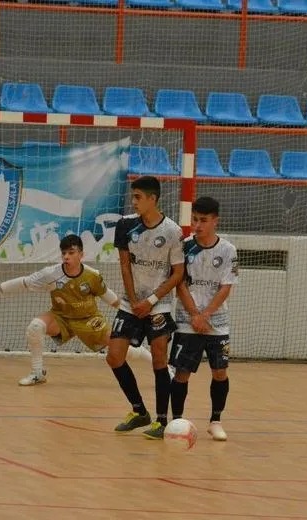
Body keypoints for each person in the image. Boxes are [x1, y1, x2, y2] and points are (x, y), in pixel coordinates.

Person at [0, 234, 145, 385]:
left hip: (89, 320)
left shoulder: (92, 275)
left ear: (81, 254)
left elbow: (111, 298)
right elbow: (23, 283)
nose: (66, 257)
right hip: (62, 318)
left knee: (120, 347)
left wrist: (134, 312)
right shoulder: (51, 274)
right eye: (64, 253)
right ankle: (38, 373)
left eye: (71, 253)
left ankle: (156, 362)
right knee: (35, 327)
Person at [107, 176, 184, 439]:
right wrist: (133, 301)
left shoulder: (172, 231)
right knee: (114, 356)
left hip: (159, 304)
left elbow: (178, 274)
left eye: (138, 197)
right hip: (132, 303)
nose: (134, 201)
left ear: (153, 199)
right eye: (133, 196)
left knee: (159, 358)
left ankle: (161, 421)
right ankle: (139, 411)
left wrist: (150, 301)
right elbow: (125, 266)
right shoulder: (126, 225)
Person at [169, 196, 237, 442]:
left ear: (215, 221)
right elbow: (180, 284)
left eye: (203, 220)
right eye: (195, 219)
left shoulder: (228, 250)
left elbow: (225, 287)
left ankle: (215, 421)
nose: (197, 225)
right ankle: (177, 421)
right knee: (182, 373)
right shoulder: (184, 246)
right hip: (187, 320)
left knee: (220, 372)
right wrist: (195, 316)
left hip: (217, 322)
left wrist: (206, 315)